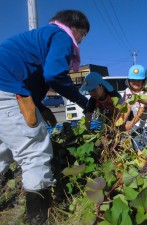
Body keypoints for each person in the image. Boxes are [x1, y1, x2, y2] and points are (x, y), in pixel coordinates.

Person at [0, 9, 90, 224]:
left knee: (3, 150)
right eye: (83, 36)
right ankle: (38, 218)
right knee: (35, 151)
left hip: (5, 87)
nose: (81, 41)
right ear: (75, 28)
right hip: (6, 86)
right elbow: (54, 75)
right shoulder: (61, 36)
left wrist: (39, 105)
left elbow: (31, 75)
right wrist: (83, 101)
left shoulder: (39, 38)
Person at [122, 65, 147, 151]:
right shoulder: (127, 91)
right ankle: (141, 160)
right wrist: (123, 121)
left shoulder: (145, 93)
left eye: (139, 80)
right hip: (136, 123)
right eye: (133, 80)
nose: (136, 82)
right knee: (136, 142)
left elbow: (141, 111)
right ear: (129, 81)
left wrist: (131, 124)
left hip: (146, 124)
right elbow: (128, 107)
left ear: (144, 81)